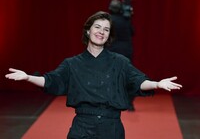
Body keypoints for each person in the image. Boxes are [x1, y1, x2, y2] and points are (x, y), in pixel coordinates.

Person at [5, 11, 182, 139]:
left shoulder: (120, 62)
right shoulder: (72, 63)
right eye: (97, 27)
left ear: (108, 36)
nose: (101, 32)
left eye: (106, 29)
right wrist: (28, 77)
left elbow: (138, 82)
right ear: (88, 31)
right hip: (82, 126)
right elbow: (51, 80)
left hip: (111, 128)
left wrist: (157, 84)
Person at [107, 0, 135, 111]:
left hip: (112, 51)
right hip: (126, 51)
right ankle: (129, 103)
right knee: (127, 77)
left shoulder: (108, 20)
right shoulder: (126, 20)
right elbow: (132, 32)